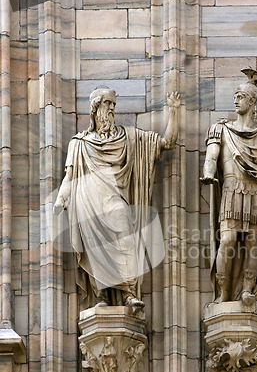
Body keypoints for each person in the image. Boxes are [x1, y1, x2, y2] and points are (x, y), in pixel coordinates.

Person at [54, 88, 180, 308]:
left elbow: (167, 143)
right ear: (96, 108)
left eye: (113, 104)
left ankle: (129, 292)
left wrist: (174, 112)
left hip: (115, 200)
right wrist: (60, 200)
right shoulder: (79, 143)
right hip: (88, 201)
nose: (112, 108)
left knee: (125, 238)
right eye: (108, 104)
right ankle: (100, 297)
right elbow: (70, 176)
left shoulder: (128, 137)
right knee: (93, 248)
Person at [201, 69, 257, 306]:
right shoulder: (222, 129)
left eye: (241, 96)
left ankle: (247, 289)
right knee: (227, 240)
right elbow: (212, 155)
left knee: (253, 243)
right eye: (235, 95)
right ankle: (223, 291)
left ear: (253, 101)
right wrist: (208, 173)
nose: (235, 100)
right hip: (232, 190)